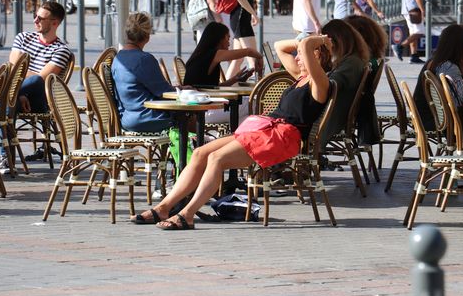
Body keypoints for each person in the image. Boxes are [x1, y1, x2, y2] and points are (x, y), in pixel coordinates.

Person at [131, 32, 333, 229]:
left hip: (281, 138)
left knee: (217, 158)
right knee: (201, 152)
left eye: (302, 54)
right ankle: (164, 207)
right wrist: (308, 41)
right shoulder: (300, 77)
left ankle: (187, 214)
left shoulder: (320, 83)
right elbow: (280, 46)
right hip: (264, 130)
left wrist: (319, 40)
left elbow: (305, 46)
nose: (297, 57)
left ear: (317, 55)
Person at [3, 2, 72, 169]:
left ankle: (4, 95)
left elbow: (41, 79)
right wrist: (20, 93)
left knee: (34, 82)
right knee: (10, 104)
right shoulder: (23, 37)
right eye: (36, 16)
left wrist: (20, 78)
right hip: (18, 94)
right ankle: (7, 159)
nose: (35, 20)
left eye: (40, 18)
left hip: (42, 99)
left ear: (54, 23)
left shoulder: (61, 50)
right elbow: (14, 68)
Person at [413, 24, 463, 142]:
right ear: (459, 46)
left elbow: (452, 93)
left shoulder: (437, 61)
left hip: (428, 117)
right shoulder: (449, 67)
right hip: (438, 121)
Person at [183, 22, 263, 123]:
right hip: (204, 109)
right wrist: (259, 56)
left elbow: (212, 87)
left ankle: (235, 136)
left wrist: (235, 79)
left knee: (248, 118)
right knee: (258, 103)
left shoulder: (202, 55)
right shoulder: (214, 54)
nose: (229, 43)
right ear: (219, 39)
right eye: (227, 38)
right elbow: (247, 52)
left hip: (201, 107)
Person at [112, 12, 177, 133]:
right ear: (147, 36)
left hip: (127, 118)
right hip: (148, 117)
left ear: (127, 33)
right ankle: (195, 150)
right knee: (189, 116)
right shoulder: (144, 60)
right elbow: (164, 92)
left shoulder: (118, 59)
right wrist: (183, 91)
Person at [318, 19, 371, 143]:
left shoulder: (351, 63)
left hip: (327, 121)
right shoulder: (352, 60)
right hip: (330, 117)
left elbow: (327, 87)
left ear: (335, 42)